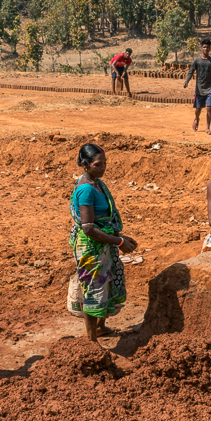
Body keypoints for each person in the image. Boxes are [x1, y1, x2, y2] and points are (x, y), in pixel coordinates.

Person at [70, 144, 137, 341]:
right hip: (92, 247)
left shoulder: (97, 183)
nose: (103, 168)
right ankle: (91, 339)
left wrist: (118, 235)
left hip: (102, 242)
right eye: (98, 164)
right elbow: (89, 228)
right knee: (94, 291)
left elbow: (102, 218)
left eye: (105, 163)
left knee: (105, 286)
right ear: (84, 164)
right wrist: (118, 241)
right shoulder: (86, 190)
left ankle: (101, 327)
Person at [184, 38, 211, 135]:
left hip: (209, 89)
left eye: (207, 47)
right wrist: (186, 81)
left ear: (210, 48)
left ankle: (207, 128)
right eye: (204, 47)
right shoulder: (197, 61)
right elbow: (190, 72)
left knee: (209, 108)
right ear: (201, 48)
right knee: (198, 109)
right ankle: (197, 118)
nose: (206, 49)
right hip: (199, 89)